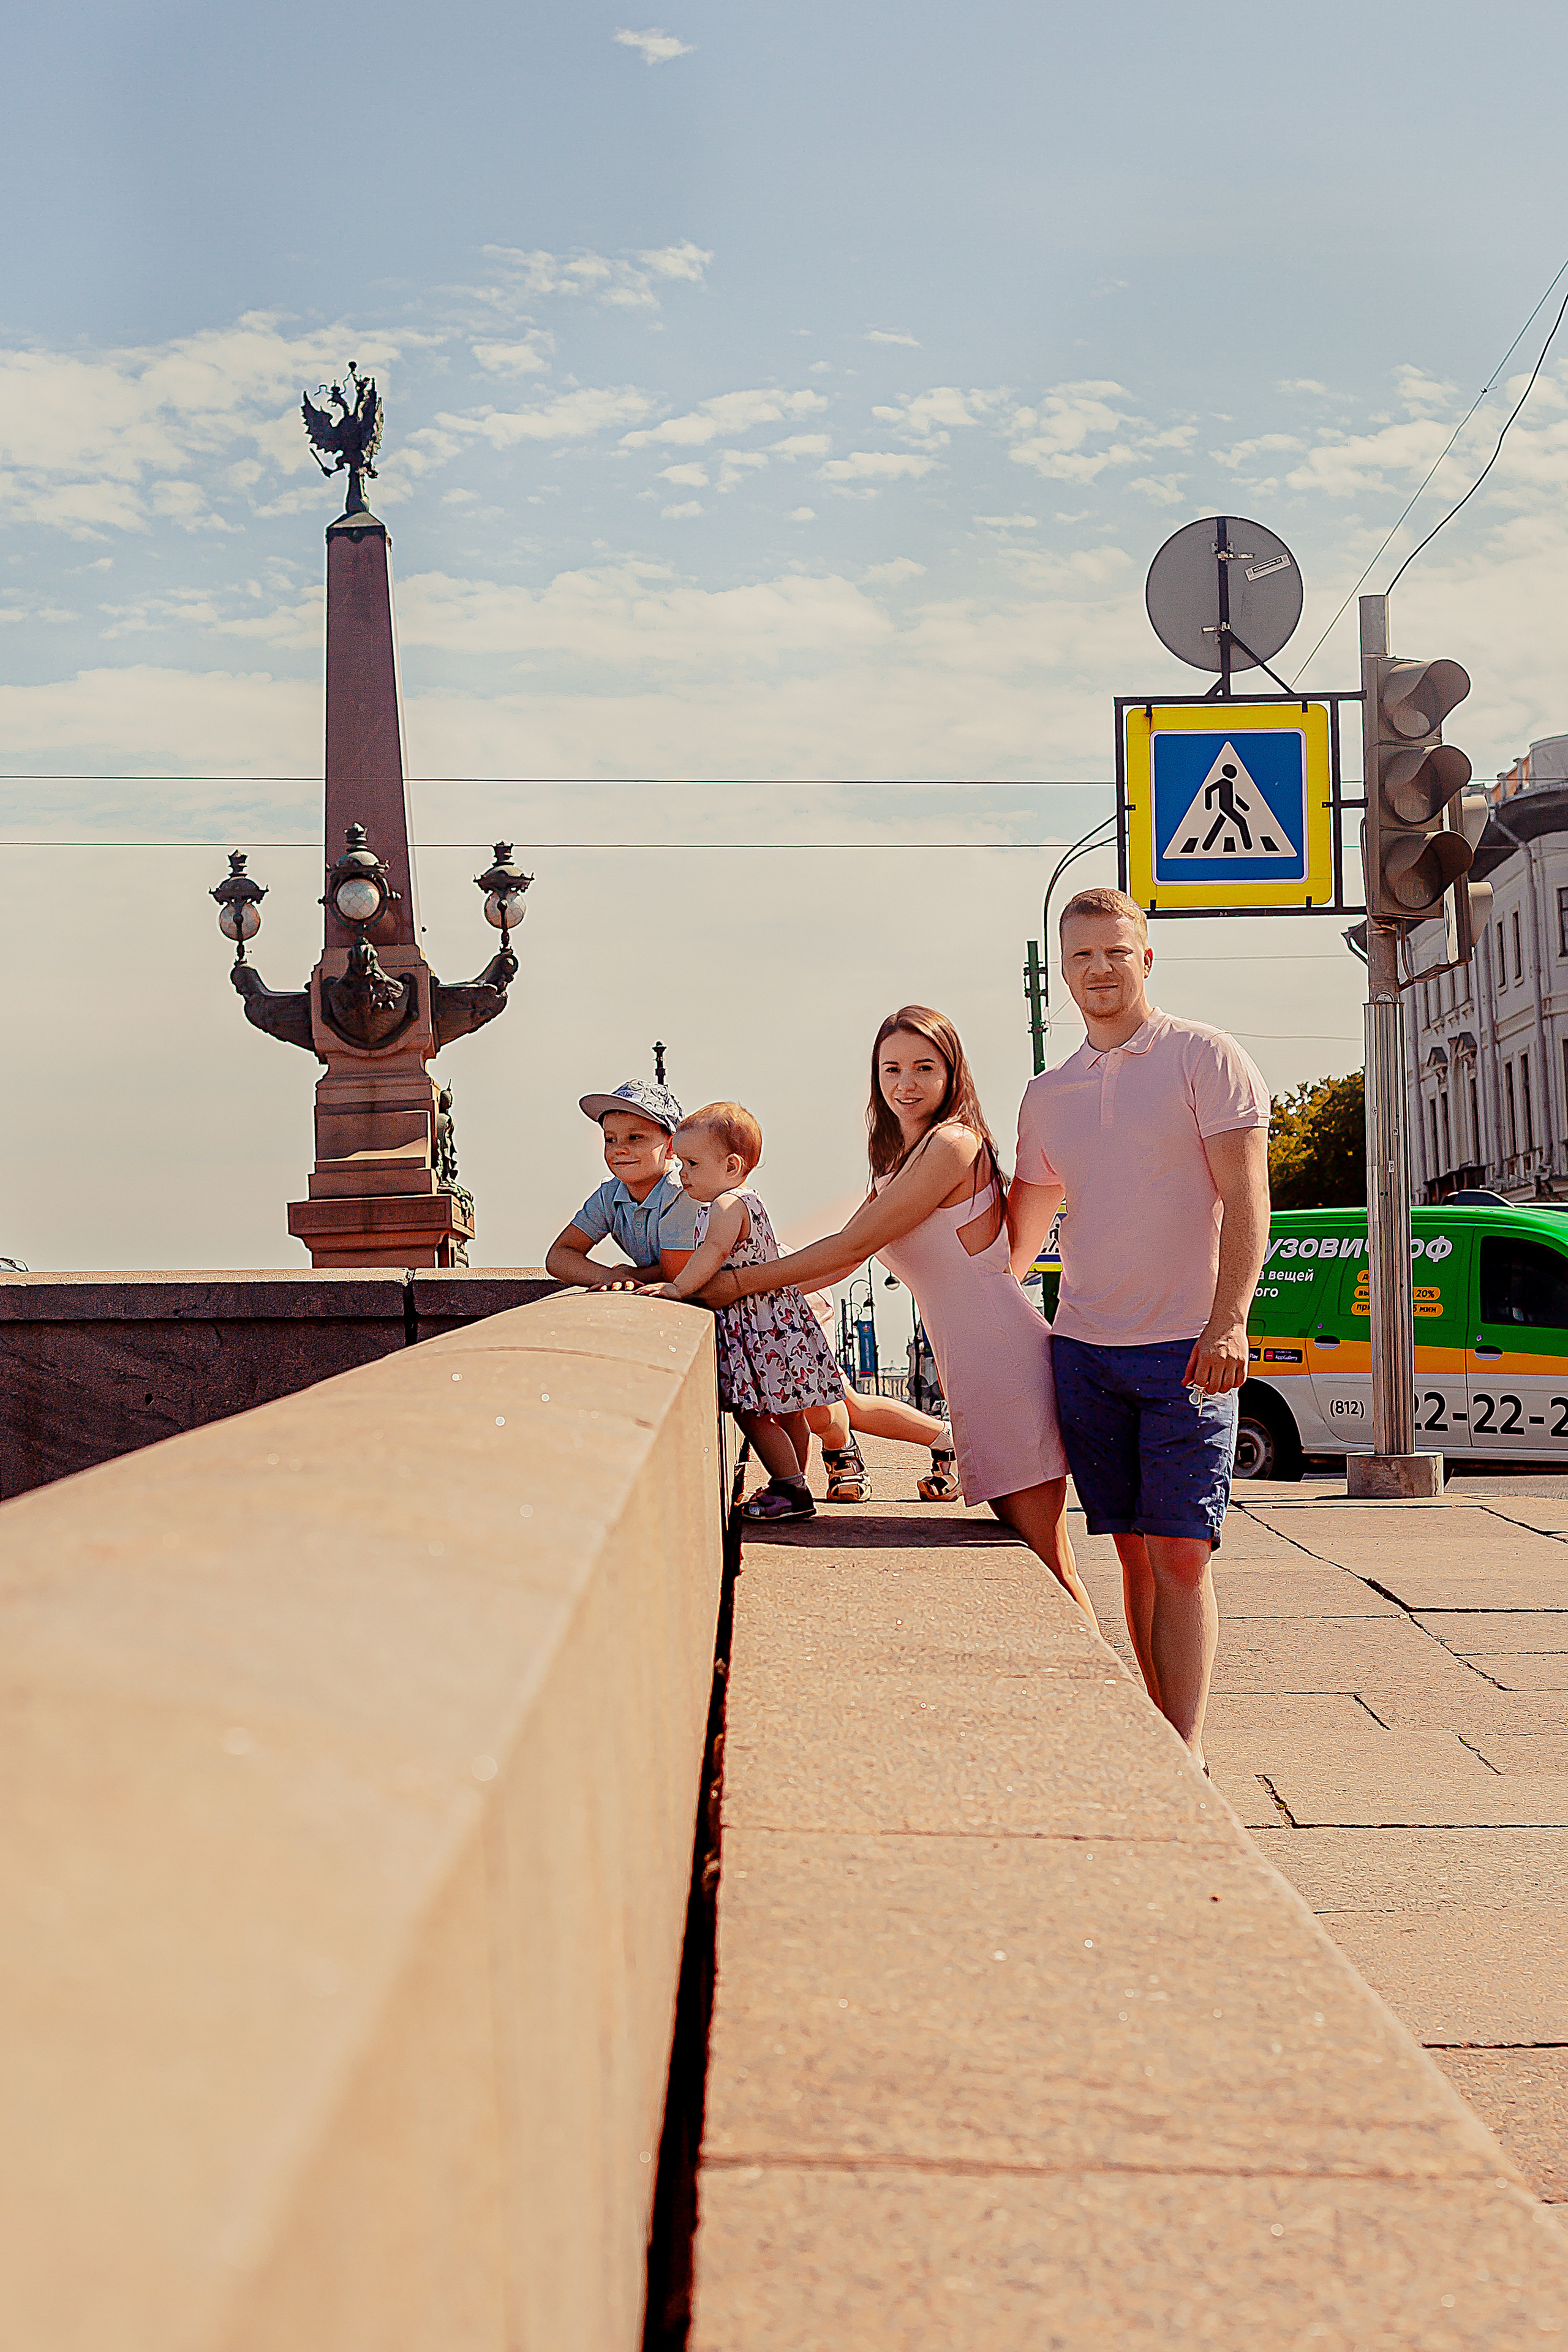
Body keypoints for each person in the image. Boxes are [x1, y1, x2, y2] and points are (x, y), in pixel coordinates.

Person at [695, 1007, 1097, 1621]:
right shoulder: (895, 1161)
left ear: (951, 1073)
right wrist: (734, 1289)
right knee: (1033, 1566)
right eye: (891, 1069)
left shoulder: (953, 1144)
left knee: (1048, 1562)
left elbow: (853, 1246)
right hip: (975, 1373)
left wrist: (741, 1282)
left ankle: (1110, 1712)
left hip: (1006, 1365)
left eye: (922, 1068)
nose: (905, 1083)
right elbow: (838, 1262)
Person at [1006, 886, 1271, 1771]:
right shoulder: (1048, 1095)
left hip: (1188, 1349)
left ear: (1146, 958)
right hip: (1084, 1351)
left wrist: (1230, 1321)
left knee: (1184, 1553)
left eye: (1116, 952)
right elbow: (1019, 1235)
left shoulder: (1204, 1057)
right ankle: (1160, 1739)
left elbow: (1247, 1200)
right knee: (1129, 1553)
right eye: (1081, 956)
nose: (1098, 971)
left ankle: (1187, 1750)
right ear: (1066, 966)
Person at [652, 1102, 845, 1522]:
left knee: (751, 1410)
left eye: (692, 1163)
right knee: (791, 1409)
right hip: (779, 1321)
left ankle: (789, 1488)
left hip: (753, 1326)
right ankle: (794, 1481)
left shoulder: (723, 1207)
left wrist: (678, 1288)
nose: (682, 1174)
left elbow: (713, 1253)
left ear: (732, 1164)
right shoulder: (752, 1202)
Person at [798, 1290, 957, 1502]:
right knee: (841, 1400)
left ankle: (837, 1453)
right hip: (783, 1289)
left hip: (791, 1290)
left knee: (818, 1396)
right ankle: (946, 1438)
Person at [545, 1079, 699, 1289]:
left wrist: (630, 1273)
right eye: (611, 1139)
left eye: (635, 1137)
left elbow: (676, 1273)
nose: (620, 1149)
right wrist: (606, 1276)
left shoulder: (683, 1193)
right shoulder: (610, 1195)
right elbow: (559, 1257)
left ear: (671, 1146)